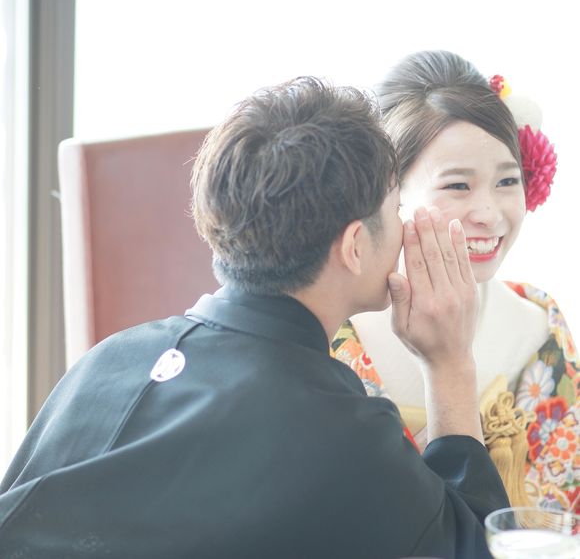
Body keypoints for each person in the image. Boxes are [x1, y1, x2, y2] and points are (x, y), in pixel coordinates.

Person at [0, 77, 508, 558]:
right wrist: (450, 365)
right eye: (396, 209)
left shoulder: (108, 359)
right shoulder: (339, 432)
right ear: (355, 245)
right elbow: (480, 547)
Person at [332, 51, 579, 513]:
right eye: (458, 186)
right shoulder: (334, 338)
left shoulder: (542, 327)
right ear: (388, 193)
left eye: (508, 181)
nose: (488, 214)